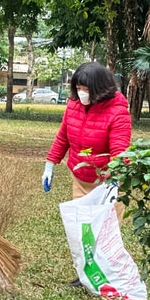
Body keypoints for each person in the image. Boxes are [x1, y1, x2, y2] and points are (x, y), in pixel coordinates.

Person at [41, 61, 131, 286]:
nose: (81, 93)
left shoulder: (117, 111)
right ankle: (86, 275)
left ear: (100, 88)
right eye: (78, 88)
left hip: (107, 183)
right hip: (80, 178)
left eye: (86, 89)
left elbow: (120, 150)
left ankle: (107, 276)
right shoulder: (73, 104)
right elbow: (64, 135)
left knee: (104, 232)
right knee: (83, 229)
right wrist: (50, 164)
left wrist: (115, 181)